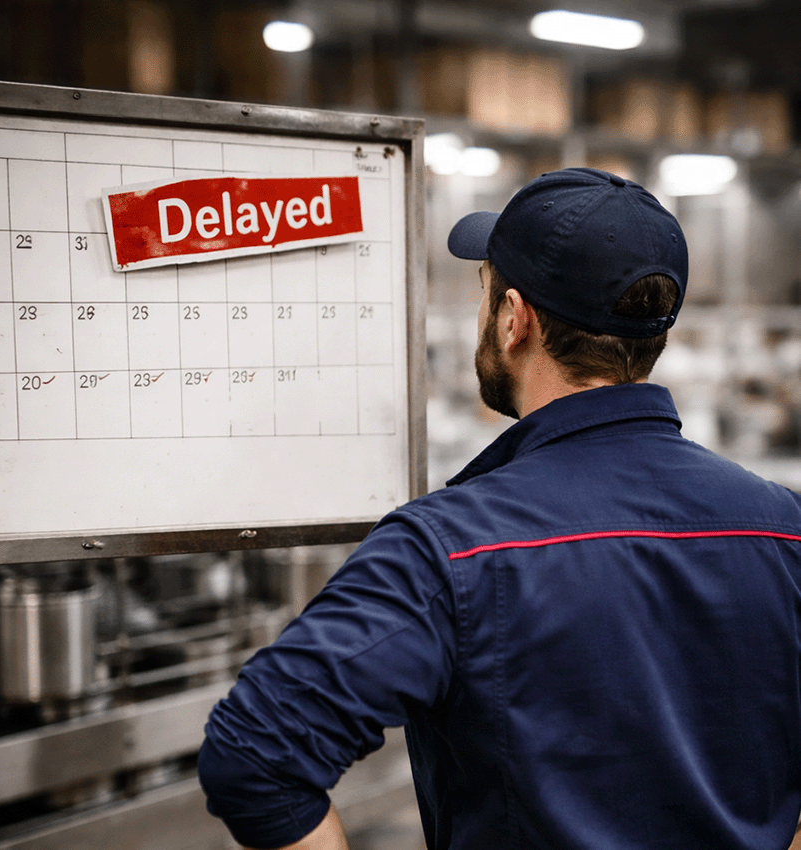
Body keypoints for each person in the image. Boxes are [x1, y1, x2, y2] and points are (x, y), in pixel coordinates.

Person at [198, 167, 801, 849]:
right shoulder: (784, 527)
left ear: (515, 320)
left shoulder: (447, 548)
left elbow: (252, 755)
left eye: (485, 294)